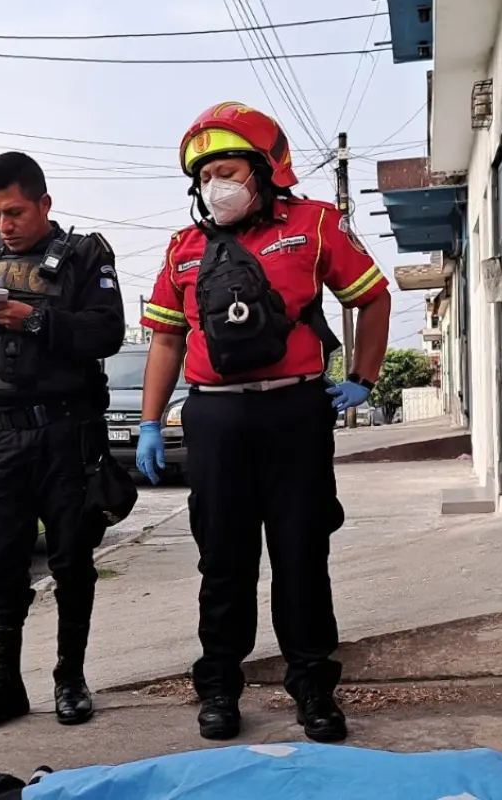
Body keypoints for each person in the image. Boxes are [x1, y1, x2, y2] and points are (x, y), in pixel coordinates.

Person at [136, 102, 392, 743]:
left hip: (295, 412)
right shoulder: (184, 250)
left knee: (302, 554)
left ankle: (313, 688)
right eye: (204, 176)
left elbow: (372, 294)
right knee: (223, 559)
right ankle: (220, 685)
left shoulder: (313, 225)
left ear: (264, 170)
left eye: (226, 170)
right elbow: (166, 341)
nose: (214, 186)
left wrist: (363, 377)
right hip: (216, 418)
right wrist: (149, 422)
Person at [0, 152, 126, 737]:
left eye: (15, 212)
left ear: (44, 204)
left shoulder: (84, 255)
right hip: (0, 434)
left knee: (72, 559)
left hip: (66, 431)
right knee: (2, 565)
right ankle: (3, 685)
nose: (5, 225)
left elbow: (105, 331)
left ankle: (70, 678)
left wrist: (29, 318)